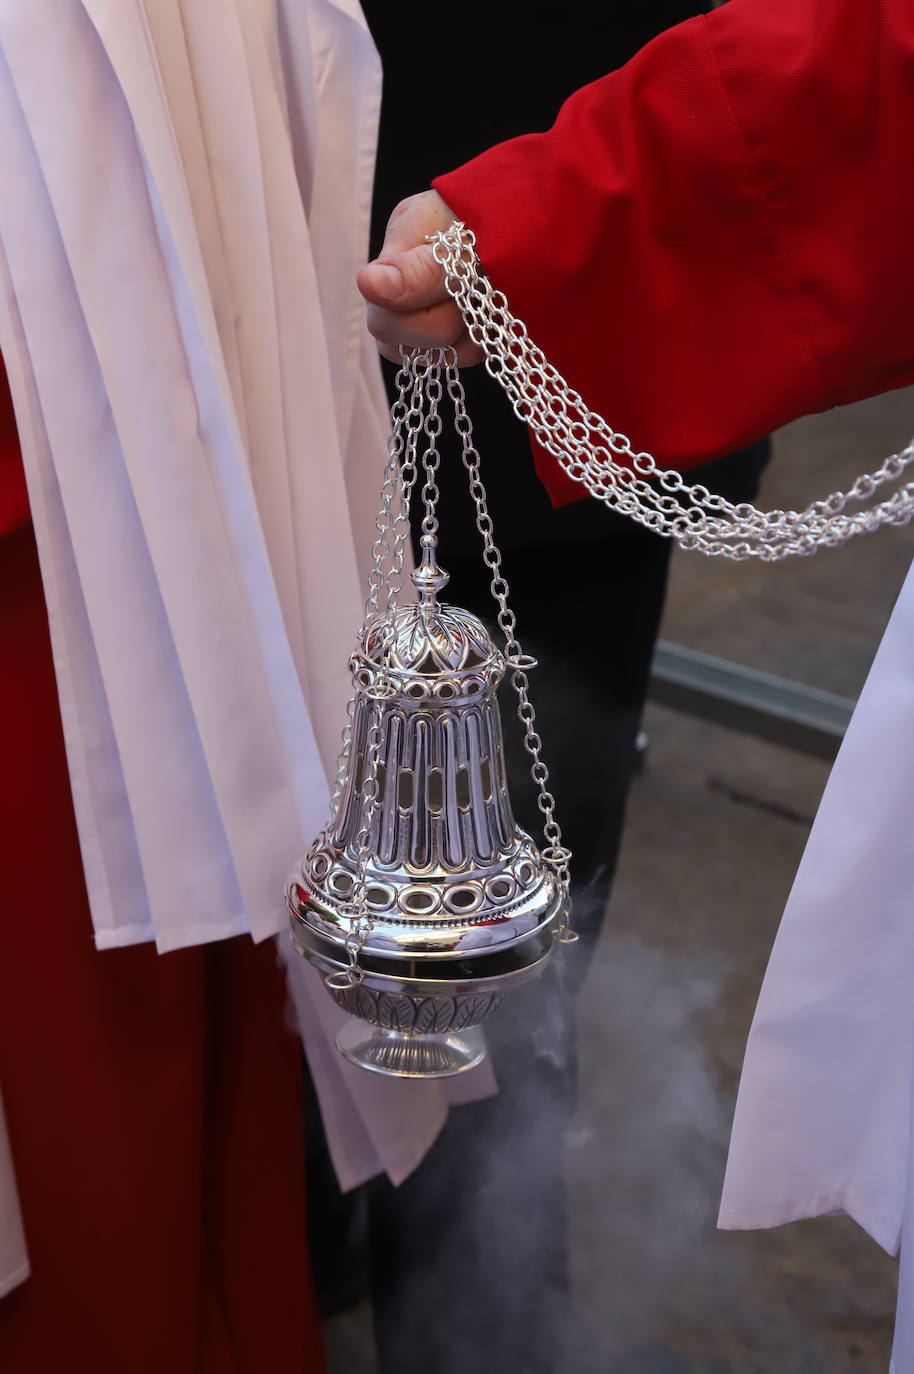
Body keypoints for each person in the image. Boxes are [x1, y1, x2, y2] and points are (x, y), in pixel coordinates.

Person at [357, 1, 914, 1370]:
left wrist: (563, 230)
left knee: (496, 944)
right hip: (305, 271)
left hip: (543, 342)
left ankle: (477, 1312)